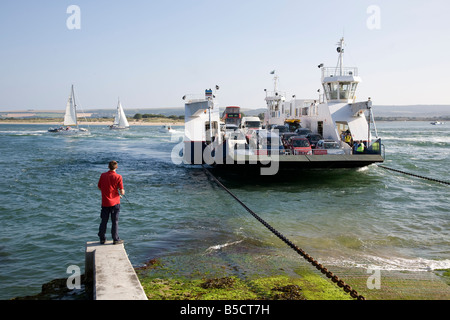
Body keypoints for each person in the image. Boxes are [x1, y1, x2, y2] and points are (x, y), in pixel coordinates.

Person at [97, 160, 125, 245]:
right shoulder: (118, 176)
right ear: (116, 167)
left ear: (108, 167)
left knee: (104, 221)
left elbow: (99, 187)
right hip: (115, 202)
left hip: (105, 202)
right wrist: (121, 194)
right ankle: (115, 239)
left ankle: (102, 238)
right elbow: (122, 191)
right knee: (115, 222)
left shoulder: (103, 175)